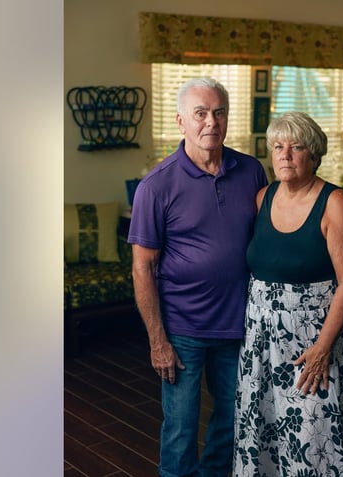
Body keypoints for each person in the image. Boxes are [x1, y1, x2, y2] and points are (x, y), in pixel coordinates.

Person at [128, 77, 268, 477]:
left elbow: (269, 234)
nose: (211, 122)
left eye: (219, 112)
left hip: (239, 324)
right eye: (201, 113)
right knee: (180, 429)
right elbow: (143, 267)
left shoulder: (251, 171)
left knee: (234, 418)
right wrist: (158, 341)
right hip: (182, 330)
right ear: (180, 121)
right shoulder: (156, 186)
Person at [233, 111, 343, 475]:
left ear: (314, 154)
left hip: (314, 340)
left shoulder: (334, 202)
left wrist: (322, 350)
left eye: (296, 147)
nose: (285, 155)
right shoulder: (264, 196)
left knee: (312, 436)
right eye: (278, 146)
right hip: (262, 340)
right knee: (262, 431)